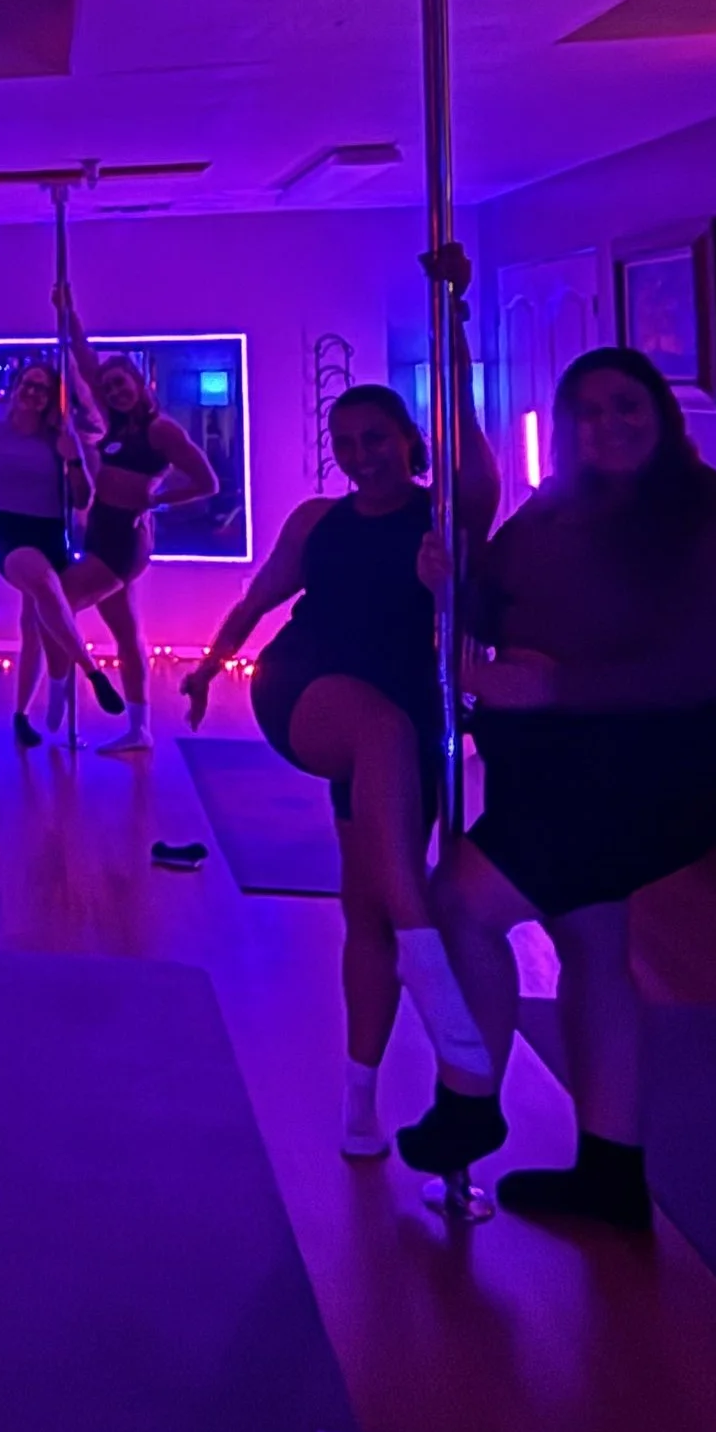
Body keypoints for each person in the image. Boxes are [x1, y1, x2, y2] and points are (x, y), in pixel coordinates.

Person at [396, 345, 716, 1231]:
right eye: (586, 411)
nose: (606, 425)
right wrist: (451, 586)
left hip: (650, 766)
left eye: (625, 406)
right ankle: (611, 1169)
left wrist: (557, 687)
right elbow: (496, 597)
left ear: (661, 414)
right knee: (591, 940)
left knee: (460, 899)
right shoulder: (554, 511)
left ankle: (470, 1095)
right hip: (559, 764)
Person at [179, 268, 496, 1156]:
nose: (361, 455)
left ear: (409, 439)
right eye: (346, 442)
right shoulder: (319, 519)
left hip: (407, 717)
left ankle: (360, 1100)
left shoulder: (447, 515)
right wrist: (207, 666)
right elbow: (260, 598)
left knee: (372, 903)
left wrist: (454, 321)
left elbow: (470, 436)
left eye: (376, 438)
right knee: (380, 732)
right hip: (305, 682)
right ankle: (438, 982)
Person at [53, 286, 217, 749]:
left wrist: (156, 501)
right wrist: (68, 312)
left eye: (121, 384)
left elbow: (207, 482)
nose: (115, 392)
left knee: (56, 603)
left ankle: (61, 691)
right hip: (100, 528)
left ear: (139, 382)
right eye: (109, 388)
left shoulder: (161, 430)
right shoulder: (115, 422)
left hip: (124, 540)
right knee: (125, 633)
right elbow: (85, 359)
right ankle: (139, 729)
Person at [0, 359, 129, 744]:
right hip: (9, 532)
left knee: (35, 625)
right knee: (46, 583)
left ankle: (23, 714)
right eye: (28, 384)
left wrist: (72, 457)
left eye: (42, 388)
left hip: (51, 533)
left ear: (51, 398)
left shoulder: (59, 439)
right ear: (16, 387)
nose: (32, 393)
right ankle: (93, 673)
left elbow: (82, 497)